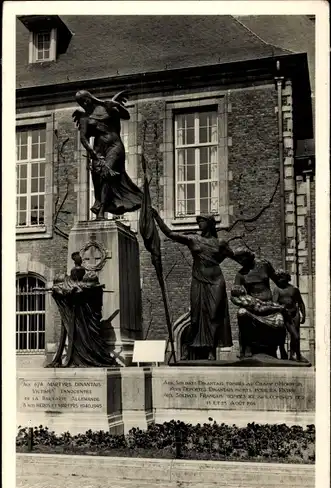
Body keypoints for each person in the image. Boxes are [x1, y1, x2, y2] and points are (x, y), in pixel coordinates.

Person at [151, 209, 237, 360]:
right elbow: (170, 234)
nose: (199, 225)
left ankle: (211, 349)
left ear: (210, 224)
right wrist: (157, 217)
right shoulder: (192, 239)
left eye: (202, 222)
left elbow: (235, 257)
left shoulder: (220, 243)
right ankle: (188, 347)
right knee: (196, 317)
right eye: (198, 222)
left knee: (214, 315)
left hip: (216, 281)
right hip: (198, 280)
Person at [73, 89, 142, 219]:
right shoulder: (85, 117)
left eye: (84, 100)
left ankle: (101, 210)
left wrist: (116, 105)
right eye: (80, 102)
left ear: (89, 98)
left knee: (106, 174)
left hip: (115, 146)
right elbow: (83, 138)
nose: (83, 104)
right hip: (98, 150)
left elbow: (126, 115)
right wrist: (92, 153)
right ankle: (101, 203)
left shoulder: (107, 107)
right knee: (96, 177)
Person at [231, 248, 288, 359]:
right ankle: (247, 346)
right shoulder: (240, 274)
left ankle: (282, 348)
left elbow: (278, 281)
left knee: (280, 319)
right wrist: (244, 300)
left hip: (269, 306)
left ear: (248, 256)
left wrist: (285, 283)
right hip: (253, 307)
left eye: (242, 258)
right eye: (238, 260)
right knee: (242, 313)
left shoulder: (264, 265)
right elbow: (235, 293)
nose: (241, 261)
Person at [273, 269, 306, 361]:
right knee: (282, 335)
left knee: (296, 336)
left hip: (294, 314)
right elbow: (274, 303)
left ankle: (295, 354)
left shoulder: (294, 289)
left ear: (286, 278)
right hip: (284, 315)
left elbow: (301, 303)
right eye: (278, 278)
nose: (279, 280)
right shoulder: (277, 289)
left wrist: (304, 315)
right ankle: (284, 352)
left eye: (281, 278)